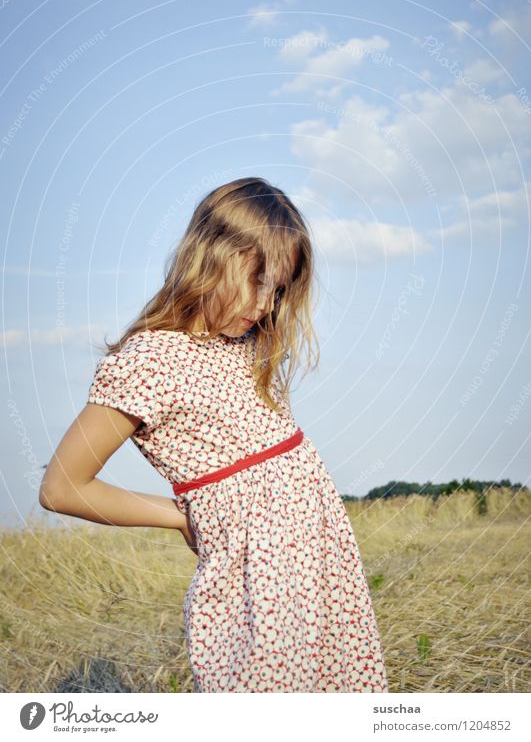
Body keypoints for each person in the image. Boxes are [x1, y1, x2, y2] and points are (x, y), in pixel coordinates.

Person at [39, 176, 389, 693]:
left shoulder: (248, 347)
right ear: (212, 255)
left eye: (279, 289)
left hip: (319, 568)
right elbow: (61, 487)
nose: (266, 305)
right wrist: (177, 517)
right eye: (258, 280)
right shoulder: (149, 363)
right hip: (258, 582)